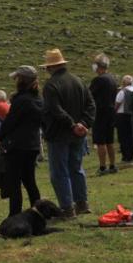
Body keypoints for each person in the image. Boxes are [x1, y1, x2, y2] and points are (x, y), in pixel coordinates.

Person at [39, 48, 96, 216]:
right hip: (78, 134)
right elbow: (91, 105)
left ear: (50, 67)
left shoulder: (50, 86)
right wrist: (83, 124)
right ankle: (82, 203)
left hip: (59, 134)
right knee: (76, 167)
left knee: (59, 172)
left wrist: (72, 125)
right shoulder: (78, 81)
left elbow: (55, 111)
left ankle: (67, 207)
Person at [0, 67, 45, 216]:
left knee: (15, 183)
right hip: (32, 145)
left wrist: (0, 135)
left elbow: (10, 122)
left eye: (17, 78)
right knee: (30, 181)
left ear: (22, 81)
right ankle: (38, 212)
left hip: (17, 146)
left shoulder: (20, 100)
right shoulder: (38, 99)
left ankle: (14, 215)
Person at [89, 54, 119, 174]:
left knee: (100, 141)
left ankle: (102, 167)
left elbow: (89, 95)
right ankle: (112, 165)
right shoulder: (112, 79)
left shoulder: (98, 80)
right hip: (111, 112)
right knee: (109, 141)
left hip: (100, 113)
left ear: (98, 66)